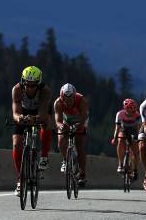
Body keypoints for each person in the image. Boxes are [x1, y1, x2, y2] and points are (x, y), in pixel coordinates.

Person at [11, 66, 53, 195]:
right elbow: (15, 112)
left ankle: (44, 156)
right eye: (27, 85)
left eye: (33, 85)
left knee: (47, 123)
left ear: (38, 83)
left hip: (40, 111)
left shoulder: (45, 91)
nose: (29, 88)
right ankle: (20, 179)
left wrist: (35, 119)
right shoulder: (17, 89)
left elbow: (42, 114)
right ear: (23, 82)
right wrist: (21, 118)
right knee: (16, 144)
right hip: (23, 112)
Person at [54, 83, 89, 187]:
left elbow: (83, 118)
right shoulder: (58, 103)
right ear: (61, 98)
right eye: (65, 100)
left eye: (70, 100)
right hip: (66, 120)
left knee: (80, 143)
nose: (68, 102)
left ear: (74, 96)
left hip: (80, 120)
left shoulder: (82, 100)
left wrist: (78, 126)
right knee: (61, 139)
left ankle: (82, 174)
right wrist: (61, 127)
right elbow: (58, 121)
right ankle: (65, 160)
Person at [112, 98, 141, 180]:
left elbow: (139, 128)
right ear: (125, 109)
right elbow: (117, 128)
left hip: (134, 131)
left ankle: (135, 170)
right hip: (123, 130)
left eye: (133, 110)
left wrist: (138, 139)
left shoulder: (137, 115)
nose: (131, 113)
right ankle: (120, 164)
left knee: (135, 152)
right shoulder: (120, 114)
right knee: (120, 140)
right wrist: (114, 138)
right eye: (129, 110)